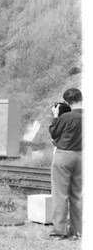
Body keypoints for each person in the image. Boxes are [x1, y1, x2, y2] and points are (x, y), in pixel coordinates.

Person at [48, 88, 83, 239]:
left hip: (64, 156)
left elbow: (54, 133)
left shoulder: (66, 117)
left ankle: (59, 230)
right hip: (82, 156)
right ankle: (78, 230)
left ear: (67, 102)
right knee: (78, 194)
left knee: (60, 194)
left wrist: (56, 116)